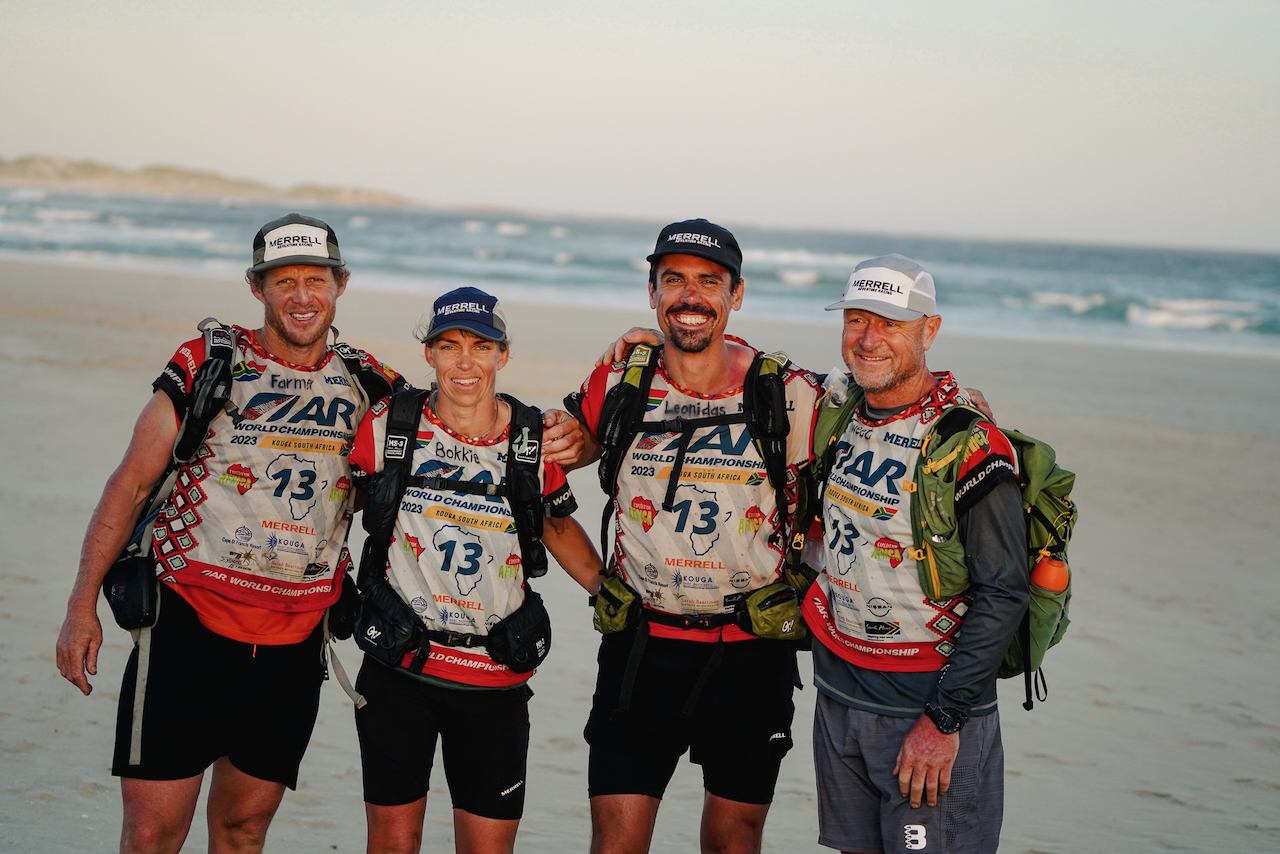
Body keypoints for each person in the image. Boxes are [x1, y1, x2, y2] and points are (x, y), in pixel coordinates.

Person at [54, 213, 403, 854]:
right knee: (153, 834)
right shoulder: (209, 362)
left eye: (316, 279)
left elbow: (459, 438)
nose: (302, 296)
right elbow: (130, 485)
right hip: (187, 628)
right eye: (284, 281)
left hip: (295, 642)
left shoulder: (373, 384)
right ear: (256, 286)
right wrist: (81, 607)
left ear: (341, 284)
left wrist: (555, 426)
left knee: (243, 832)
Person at [558, 219, 822, 854]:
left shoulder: (790, 393)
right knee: (615, 843)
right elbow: (539, 469)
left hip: (752, 654)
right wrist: (598, 581)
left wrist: (960, 399)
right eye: (673, 280)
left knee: (733, 842)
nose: (690, 295)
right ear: (652, 292)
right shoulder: (619, 384)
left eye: (709, 281)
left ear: (737, 293)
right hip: (641, 649)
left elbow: (879, 431)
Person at [346, 286, 603, 854]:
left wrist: (610, 594)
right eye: (449, 346)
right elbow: (342, 499)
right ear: (429, 353)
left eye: (481, 346)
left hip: (494, 677)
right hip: (399, 669)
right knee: (392, 844)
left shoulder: (531, 438)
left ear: (502, 354)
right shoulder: (390, 423)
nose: (465, 362)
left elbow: (557, 528)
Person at [800, 255, 1028, 854]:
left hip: (927, 712)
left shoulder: (970, 443)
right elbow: (742, 372)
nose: (868, 339)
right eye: (856, 319)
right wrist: (650, 340)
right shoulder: (838, 411)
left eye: (890, 324)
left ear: (930, 330)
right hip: (840, 695)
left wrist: (944, 721)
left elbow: (1005, 591)